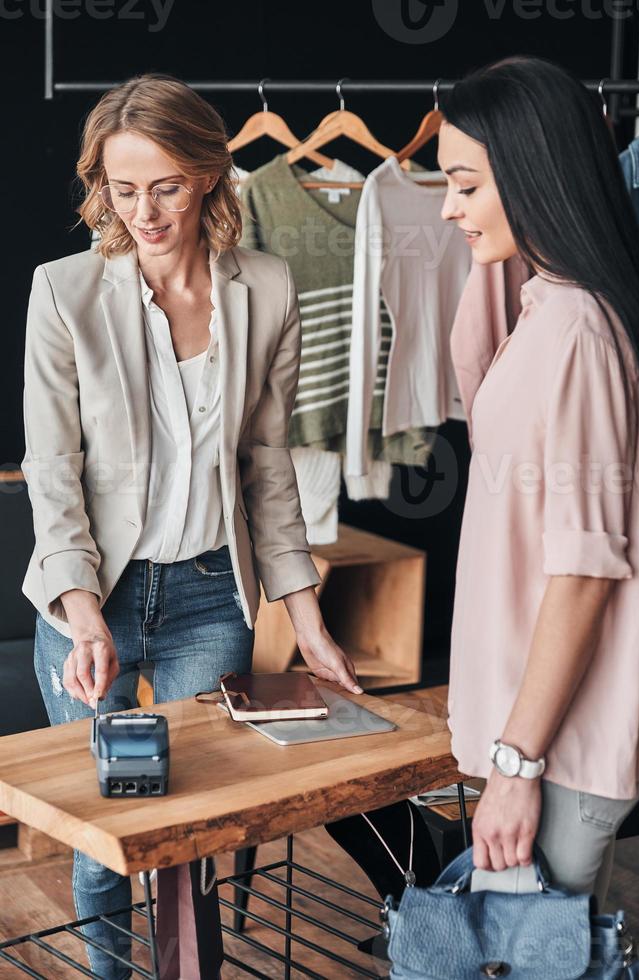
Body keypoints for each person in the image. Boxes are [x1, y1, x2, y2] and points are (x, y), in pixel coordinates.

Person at [21, 72, 362, 980]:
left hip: (214, 591)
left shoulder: (270, 288)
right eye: (124, 189)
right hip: (95, 592)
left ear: (209, 174)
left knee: (187, 827)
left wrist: (310, 620)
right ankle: (108, 973)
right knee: (110, 825)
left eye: (165, 185)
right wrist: (81, 609)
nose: (145, 211)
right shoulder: (63, 293)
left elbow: (268, 468)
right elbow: (51, 471)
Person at [437, 56, 639, 911]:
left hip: (555, 751)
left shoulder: (576, 333)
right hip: (534, 738)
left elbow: (584, 573)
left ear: (531, 176)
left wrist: (518, 768)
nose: (449, 209)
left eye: (464, 185)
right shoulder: (547, 304)